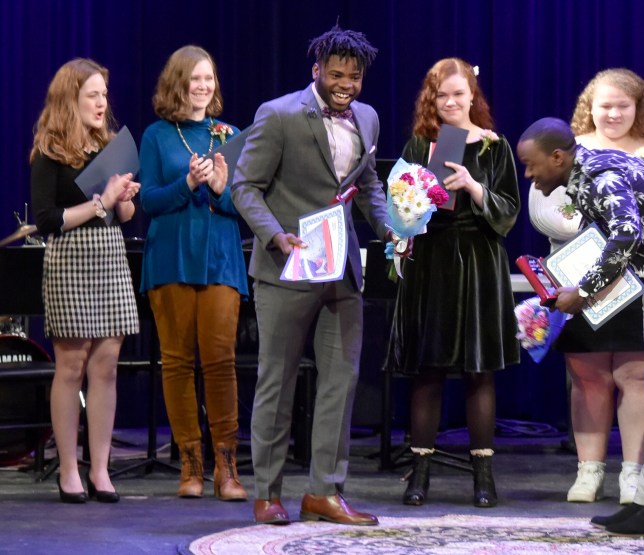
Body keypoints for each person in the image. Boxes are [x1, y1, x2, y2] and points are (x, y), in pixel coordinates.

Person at [517, 117, 644, 536]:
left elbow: (625, 234)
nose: (529, 174)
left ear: (558, 157)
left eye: (532, 165)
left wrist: (584, 292)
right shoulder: (595, 166)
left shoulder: (601, 175)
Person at [231, 25, 392, 526]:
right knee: (276, 384)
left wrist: (391, 229)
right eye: (337, 73)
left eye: (355, 75)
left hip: (341, 270)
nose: (346, 84)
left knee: (340, 383)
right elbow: (244, 187)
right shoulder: (278, 115)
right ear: (316, 70)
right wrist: (276, 236)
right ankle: (267, 493)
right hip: (286, 269)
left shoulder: (367, 117)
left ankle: (324, 491)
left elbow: (366, 183)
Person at [527, 68, 644, 504]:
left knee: (635, 376)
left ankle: (634, 474)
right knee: (587, 375)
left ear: (639, 109)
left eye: (623, 105)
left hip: (637, 282)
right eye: (605, 105)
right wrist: (588, 227)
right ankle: (589, 470)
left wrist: (612, 229)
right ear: (590, 108)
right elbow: (542, 210)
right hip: (580, 274)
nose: (614, 113)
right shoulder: (566, 149)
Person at [384, 58, 521, 508]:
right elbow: (399, 207)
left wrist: (473, 186)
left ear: (472, 96)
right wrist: (403, 215)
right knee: (429, 370)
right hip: (432, 260)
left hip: (479, 261)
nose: (450, 102)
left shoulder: (494, 147)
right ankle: (418, 474)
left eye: (458, 94)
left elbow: (508, 212)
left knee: (478, 371)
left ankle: (484, 476)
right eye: (441, 95)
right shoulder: (418, 145)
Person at [139, 46, 248, 501]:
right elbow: (147, 202)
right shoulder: (156, 135)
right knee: (179, 361)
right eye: (194, 79)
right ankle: (190, 463)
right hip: (171, 258)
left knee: (220, 360)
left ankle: (227, 466)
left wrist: (222, 188)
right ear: (177, 83)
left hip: (221, 257)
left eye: (209, 79)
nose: (203, 87)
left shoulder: (230, 134)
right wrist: (186, 184)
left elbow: (245, 204)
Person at [30, 58, 140, 503]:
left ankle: (100, 469)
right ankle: (70, 471)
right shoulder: (49, 150)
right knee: (71, 367)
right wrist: (101, 202)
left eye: (104, 95)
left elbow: (126, 215)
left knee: (106, 368)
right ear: (70, 99)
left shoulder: (109, 146)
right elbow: (46, 219)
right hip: (70, 259)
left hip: (109, 257)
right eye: (93, 94)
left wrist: (124, 199)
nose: (102, 102)